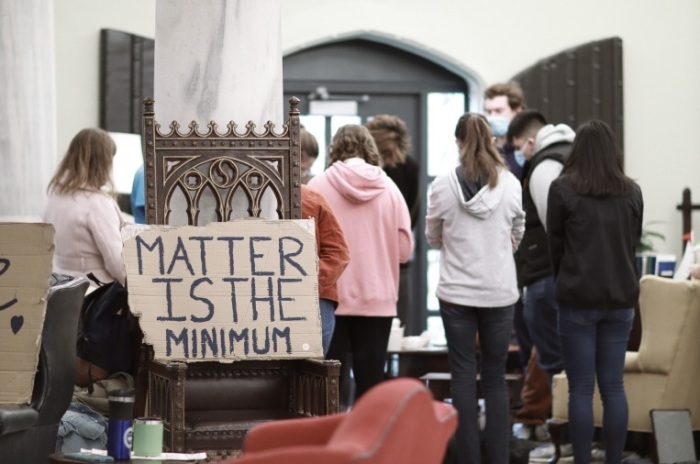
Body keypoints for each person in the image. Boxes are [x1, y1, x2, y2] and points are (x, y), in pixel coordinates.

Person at [426, 113, 524, 464]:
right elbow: (519, 227)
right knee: (496, 377)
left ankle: (467, 458)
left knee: (463, 376)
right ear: (492, 141)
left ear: (458, 142)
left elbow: (432, 233)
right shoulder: (510, 183)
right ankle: (498, 458)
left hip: (456, 292)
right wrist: (501, 247)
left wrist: (448, 244)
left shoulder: (442, 185)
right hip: (499, 290)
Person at [547, 120, 643, 464]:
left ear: (578, 151)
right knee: (614, 388)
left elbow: (554, 246)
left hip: (577, 299)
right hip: (621, 300)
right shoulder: (631, 192)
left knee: (581, 389)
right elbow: (632, 241)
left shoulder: (562, 189)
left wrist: (566, 280)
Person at [308, 124, 413, 400]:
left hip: (331, 297)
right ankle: (368, 442)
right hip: (377, 299)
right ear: (370, 149)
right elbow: (404, 251)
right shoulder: (390, 188)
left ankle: (329, 441)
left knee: (329, 386)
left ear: (335, 149)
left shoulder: (317, 186)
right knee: (371, 385)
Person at [509, 116, 574, 385]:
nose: (518, 154)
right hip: (572, 276)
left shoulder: (545, 166)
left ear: (531, 142)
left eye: (518, 146)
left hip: (548, 274)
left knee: (557, 365)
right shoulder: (574, 155)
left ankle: (561, 424)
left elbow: (555, 226)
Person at [42, 128, 126, 286]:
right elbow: (116, 263)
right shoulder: (97, 204)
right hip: (96, 294)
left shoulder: (54, 197)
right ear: (102, 162)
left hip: (60, 289)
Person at [299, 125, 351, 356]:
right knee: (315, 375)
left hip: (317, 298)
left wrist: (307, 286)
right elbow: (338, 252)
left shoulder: (312, 197)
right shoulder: (313, 196)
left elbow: (337, 252)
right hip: (319, 296)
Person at [365, 115, 420, 333]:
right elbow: (411, 214)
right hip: (389, 254)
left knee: (391, 323)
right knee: (389, 322)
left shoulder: (407, 167)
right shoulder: (365, 170)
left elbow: (412, 212)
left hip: (386, 256)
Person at [484, 82, 526, 180]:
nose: (492, 117)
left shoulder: (526, 146)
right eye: (489, 112)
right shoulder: (485, 148)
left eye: (498, 111)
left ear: (517, 111)